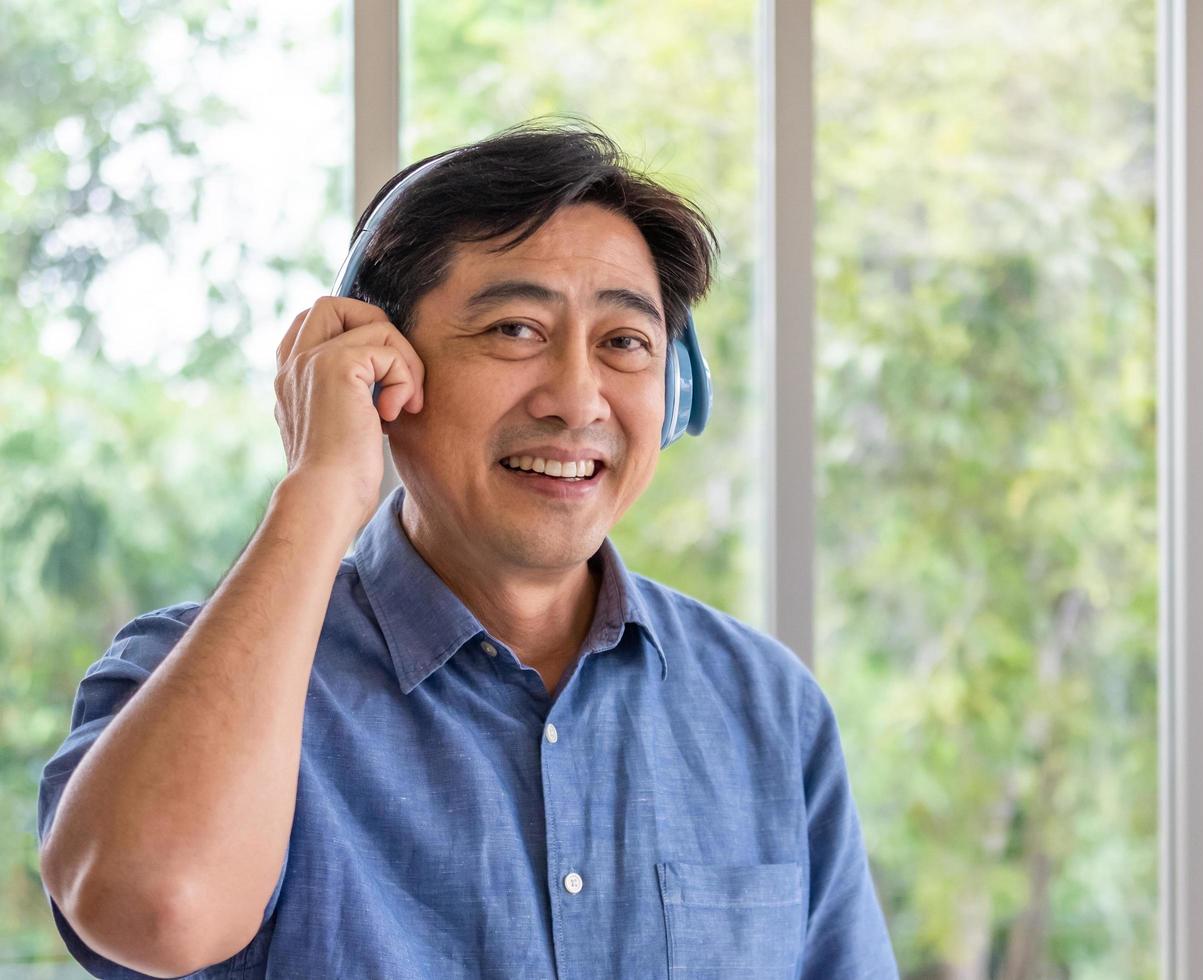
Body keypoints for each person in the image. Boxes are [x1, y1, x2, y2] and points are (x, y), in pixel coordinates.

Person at [36, 120, 898, 979]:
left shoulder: (768, 707)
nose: (576, 397)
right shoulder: (185, 674)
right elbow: (157, 911)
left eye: (624, 343)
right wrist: (322, 486)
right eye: (515, 330)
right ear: (381, 368)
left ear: (673, 393)